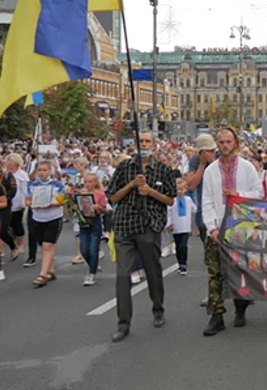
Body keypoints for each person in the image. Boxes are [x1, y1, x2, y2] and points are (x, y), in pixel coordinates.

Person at [106, 131, 177, 343]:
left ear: (154, 145)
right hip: (124, 225)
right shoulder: (124, 167)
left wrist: (150, 191)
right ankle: (123, 323)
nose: (144, 144)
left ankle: (158, 308)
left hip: (149, 226)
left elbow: (170, 200)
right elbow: (113, 197)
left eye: (148, 141)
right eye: (141, 141)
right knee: (122, 275)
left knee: (152, 270)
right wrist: (132, 185)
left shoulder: (163, 169)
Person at [200, 128, 264, 336]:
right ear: (217, 145)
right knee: (214, 273)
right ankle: (216, 315)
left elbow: (258, 194)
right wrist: (212, 228)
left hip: (241, 228)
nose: (225, 146)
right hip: (219, 227)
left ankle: (240, 306)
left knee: (240, 270)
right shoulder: (210, 171)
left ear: (235, 143)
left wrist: (238, 195)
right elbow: (207, 201)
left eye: (228, 142)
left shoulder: (246, 168)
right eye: (221, 142)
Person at [25, 161, 67, 288]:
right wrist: (30, 204)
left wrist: (52, 204)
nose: (42, 172)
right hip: (38, 218)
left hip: (53, 217)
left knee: (48, 245)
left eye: (45, 170)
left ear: (50, 171)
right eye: (40, 170)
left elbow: (64, 199)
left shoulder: (57, 185)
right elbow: (27, 199)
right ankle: (50, 270)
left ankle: (42, 275)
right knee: (43, 246)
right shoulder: (32, 185)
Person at [78, 173, 108, 286]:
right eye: (86, 181)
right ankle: (93, 265)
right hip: (83, 223)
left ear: (95, 183)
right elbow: (75, 207)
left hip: (95, 222)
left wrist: (98, 207)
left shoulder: (99, 194)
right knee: (84, 250)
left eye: (90, 182)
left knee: (93, 249)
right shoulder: (81, 194)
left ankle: (91, 274)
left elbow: (105, 210)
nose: (87, 184)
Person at [166, 177, 197, 276]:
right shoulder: (172, 201)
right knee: (178, 246)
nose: (179, 192)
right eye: (177, 189)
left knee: (184, 245)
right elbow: (169, 213)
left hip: (185, 227)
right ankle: (180, 263)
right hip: (176, 227)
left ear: (185, 189)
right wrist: (169, 223)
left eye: (181, 189)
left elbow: (194, 209)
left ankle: (184, 264)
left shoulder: (188, 199)